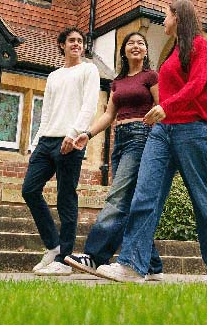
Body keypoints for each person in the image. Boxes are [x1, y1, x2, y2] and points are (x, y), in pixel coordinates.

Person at [95, 0, 207, 283]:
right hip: (162, 131)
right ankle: (132, 265)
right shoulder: (173, 51)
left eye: (166, 15)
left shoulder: (200, 46)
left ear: (178, 17)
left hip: (192, 130)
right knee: (144, 194)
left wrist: (166, 106)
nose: (163, 20)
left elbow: (197, 84)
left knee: (204, 197)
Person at [64, 32, 165, 279]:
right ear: (124, 50)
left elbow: (162, 106)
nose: (136, 46)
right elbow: (109, 115)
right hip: (119, 140)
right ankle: (152, 265)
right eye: (131, 43)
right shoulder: (117, 82)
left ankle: (94, 255)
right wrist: (88, 134)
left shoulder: (151, 76)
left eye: (141, 43)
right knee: (128, 203)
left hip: (141, 137)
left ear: (146, 50)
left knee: (117, 198)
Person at [22, 27, 100, 276]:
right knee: (29, 190)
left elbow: (90, 106)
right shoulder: (54, 76)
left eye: (80, 41)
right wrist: (35, 142)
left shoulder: (89, 69)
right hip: (47, 141)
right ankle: (53, 246)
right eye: (71, 40)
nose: (76, 44)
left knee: (66, 197)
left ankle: (64, 259)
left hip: (71, 142)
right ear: (62, 45)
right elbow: (46, 112)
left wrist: (73, 133)